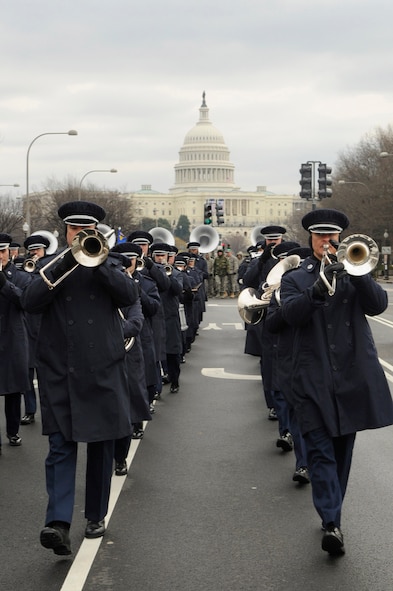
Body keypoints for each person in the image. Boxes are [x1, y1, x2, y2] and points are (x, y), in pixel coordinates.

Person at [22, 201, 139, 555]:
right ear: (65, 232)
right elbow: (30, 301)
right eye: (75, 230)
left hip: (102, 367)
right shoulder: (49, 266)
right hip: (61, 369)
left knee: (102, 446)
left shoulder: (112, 264)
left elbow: (129, 295)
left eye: (87, 230)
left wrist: (100, 263)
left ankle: (95, 514)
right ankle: (57, 523)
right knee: (60, 446)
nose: (81, 235)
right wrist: (68, 262)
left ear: (96, 232)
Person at [280, 208, 393, 556]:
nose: (326, 242)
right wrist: (316, 290)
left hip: (351, 374)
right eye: (319, 237)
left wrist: (358, 275)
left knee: (343, 451)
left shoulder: (355, 268)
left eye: (331, 237)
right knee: (319, 450)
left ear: (340, 239)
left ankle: (333, 514)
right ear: (310, 239)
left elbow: (377, 305)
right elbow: (290, 316)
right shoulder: (295, 278)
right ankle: (331, 522)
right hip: (311, 376)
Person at [0, 233, 31, 452]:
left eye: (2, 251)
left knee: (12, 392)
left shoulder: (20, 276)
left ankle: (13, 431)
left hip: (12, 339)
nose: (0, 256)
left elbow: (25, 301)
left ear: (10, 252)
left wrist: (2, 281)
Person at [20, 234, 51, 425]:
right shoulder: (23, 270)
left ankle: (50, 411)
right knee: (27, 374)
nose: (34, 254)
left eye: (38, 250)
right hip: (27, 328)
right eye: (32, 251)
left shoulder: (50, 268)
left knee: (47, 375)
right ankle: (30, 410)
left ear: (44, 251)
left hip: (46, 329)